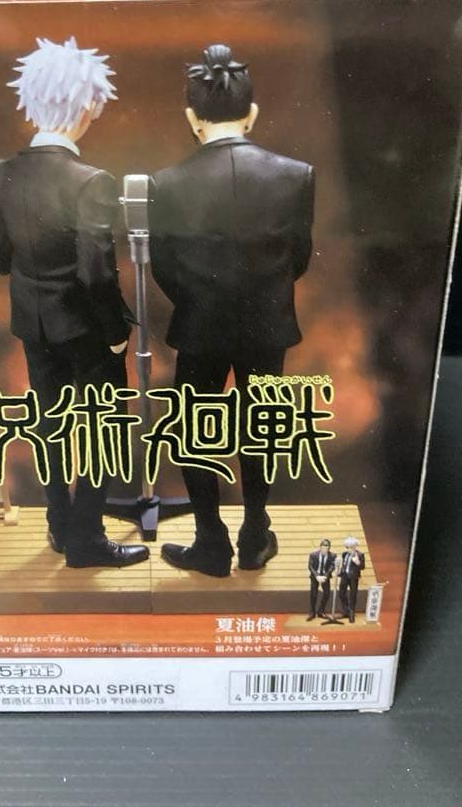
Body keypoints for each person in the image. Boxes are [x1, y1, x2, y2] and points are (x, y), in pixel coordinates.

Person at [149, 43, 315, 577]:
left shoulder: (166, 183)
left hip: (199, 325)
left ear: (192, 118)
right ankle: (255, 535)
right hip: (268, 325)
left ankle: (211, 543)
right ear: (252, 113)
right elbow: (298, 259)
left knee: (195, 432)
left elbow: (163, 268)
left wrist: (201, 300)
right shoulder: (296, 174)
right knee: (261, 430)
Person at [0, 36, 148, 569]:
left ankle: (59, 526)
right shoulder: (91, 181)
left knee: (50, 427)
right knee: (101, 430)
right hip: (87, 329)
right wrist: (117, 332)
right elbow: (96, 272)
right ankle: (86, 539)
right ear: (85, 105)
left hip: (32, 324)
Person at [337, 537, 365, 622]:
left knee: (353, 595)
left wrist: (357, 562)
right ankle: (346, 611)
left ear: (355, 546)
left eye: (352, 547)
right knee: (341, 593)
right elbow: (344, 564)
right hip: (344, 576)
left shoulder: (360, 555)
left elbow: (362, 567)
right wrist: (340, 571)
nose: (350, 549)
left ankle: (352, 613)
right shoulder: (344, 554)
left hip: (353, 578)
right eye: (348, 547)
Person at [307, 539, 336, 620]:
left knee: (326, 593)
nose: (324, 550)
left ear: (329, 548)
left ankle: (321, 611)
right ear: (320, 547)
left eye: (326, 548)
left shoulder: (332, 556)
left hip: (325, 576)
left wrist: (325, 576)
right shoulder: (313, 555)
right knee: (313, 594)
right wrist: (317, 576)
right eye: (323, 548)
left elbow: (332, 567)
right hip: (315, 576)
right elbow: (310, 566)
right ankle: (312, 612)